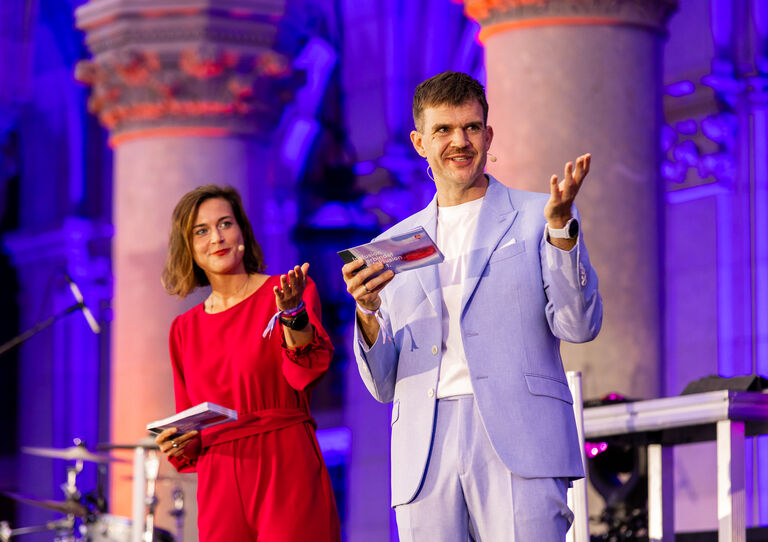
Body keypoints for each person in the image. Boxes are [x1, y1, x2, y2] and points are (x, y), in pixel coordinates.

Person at [341, 71, 603, 541]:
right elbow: (383, 385)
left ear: (488, 134)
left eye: (471, 127)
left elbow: (578, 326)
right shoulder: (390, 245)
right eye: (443, 130)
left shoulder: (539, 214)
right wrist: (367, 313)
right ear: (420, 143)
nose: (459, 141)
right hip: (425, 446)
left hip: (520, 437)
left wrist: (562, 233)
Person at [156, 184, 340, 542]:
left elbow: (305, 371)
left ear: (242, 231)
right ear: (189, 248)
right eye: (202, 231)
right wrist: (179, 443)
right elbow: (190, 422)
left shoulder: (287, 292)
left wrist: (292, 314)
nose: (217, 237)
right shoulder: (183, 328)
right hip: (219, 475)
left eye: (225, 223)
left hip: (284, 459)